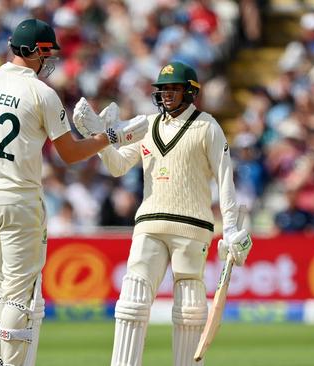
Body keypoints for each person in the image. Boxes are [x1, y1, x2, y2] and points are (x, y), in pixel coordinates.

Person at [0, 19, 147, 366]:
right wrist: (112, 137)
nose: (50, 60)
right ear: (33, 51)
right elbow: (70, 154)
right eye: (47, 52)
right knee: (19, 298)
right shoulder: (41, 93)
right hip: (20, 200)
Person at [73, 61, 253, 366]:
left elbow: (225, 179)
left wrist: (231, 228)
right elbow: (117, 166)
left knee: (190, 308)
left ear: (190, 92)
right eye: (163, 89)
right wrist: (100, 139)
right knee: (132, 301)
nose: (167, 94)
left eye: (173, 88)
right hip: (149, 223)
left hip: (193, 227)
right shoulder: (145, 125)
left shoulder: (207, 126)